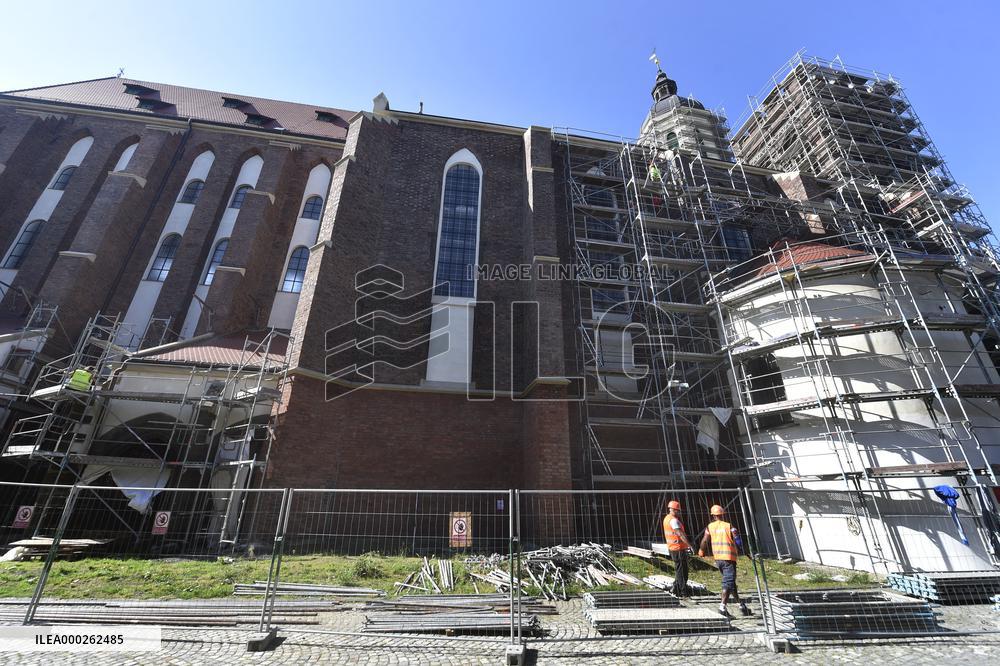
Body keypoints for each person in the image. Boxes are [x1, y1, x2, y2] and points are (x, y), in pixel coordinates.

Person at [698, 504, 751, 617]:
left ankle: (741, 605)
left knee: (730, 582)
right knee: (728, 582)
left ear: (713, 516)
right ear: (723, 514)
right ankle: (722, 607)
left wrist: (701, 550)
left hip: (718, 559)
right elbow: (738, 541)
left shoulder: (709, 527)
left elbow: (704, 540)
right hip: (729, 559)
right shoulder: (729, 526)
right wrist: (746, 552)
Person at [662, 499, 692, 597]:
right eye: (677, 510)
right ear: (674, 510)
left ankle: (676, 587)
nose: (678, 512)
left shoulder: (666, 518)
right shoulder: (674, 521)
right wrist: (689, 545)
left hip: (672, 548)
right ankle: (683, 592)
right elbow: (680, 534)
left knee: (679, 569)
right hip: (678, 548)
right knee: (682, 571)